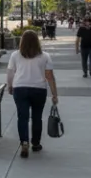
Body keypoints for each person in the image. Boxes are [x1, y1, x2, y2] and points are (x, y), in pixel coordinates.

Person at [7, 30, 59, 158]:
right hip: (39, 90)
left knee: (22, 117)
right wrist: (54, 94)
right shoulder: (45, 56)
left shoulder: (15, 55)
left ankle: (24, 142)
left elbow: (10, 73)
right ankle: (36, 143)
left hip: (20, 89)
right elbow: (49, 76)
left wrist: (10, 85)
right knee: (37, 117)